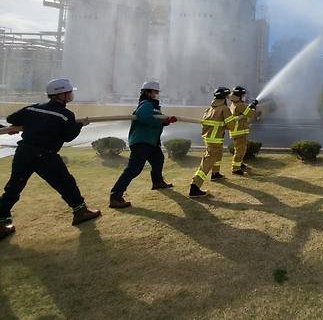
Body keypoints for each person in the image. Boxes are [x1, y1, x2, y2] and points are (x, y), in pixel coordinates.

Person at [0, 78, 101, 241]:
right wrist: (80, 125)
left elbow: (12, 119)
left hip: (23, 152)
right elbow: (68, 137)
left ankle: (1, 221)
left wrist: (23, 125)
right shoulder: (65, 115)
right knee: (66, 183)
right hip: (45, 155)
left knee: (13, 187)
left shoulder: (32, 109)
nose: (71, 95)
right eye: (69, 92)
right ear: (61, 94)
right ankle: (80, 211)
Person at [109, 81, 176, 209]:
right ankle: (115, 196)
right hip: (142, 141)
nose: (156, 94)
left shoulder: (153, 106)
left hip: (151, 141)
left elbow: (156, 119)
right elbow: (144, 117)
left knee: (158, 160)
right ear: (147, 92)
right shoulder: (145, 104)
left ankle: (157, 182)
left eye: (157, 92)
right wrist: (162, 121)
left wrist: (166, 121)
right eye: (155, 92)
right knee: (134, 169)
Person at [189, 86, 235, 198]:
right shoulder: (224, 109)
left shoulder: (210, 108)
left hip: (209, 139)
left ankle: (216, 174)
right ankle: (195, 186)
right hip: (215, 140)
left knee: (218, 155)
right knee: (207, 162)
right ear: (225, 97)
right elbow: (232, 126)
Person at [227, 86, 258, 176]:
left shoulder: (234, 104)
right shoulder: (240, 105)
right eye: (243, 95)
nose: (244, 97)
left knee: (240, 149)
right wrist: (253, 107)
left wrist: (249, 107)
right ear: (240, 96)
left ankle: (239, 163)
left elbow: (243, 113)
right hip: (239, 131)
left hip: (237, 130)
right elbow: (251, 114)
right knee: (240, 150)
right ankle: (236, 169)